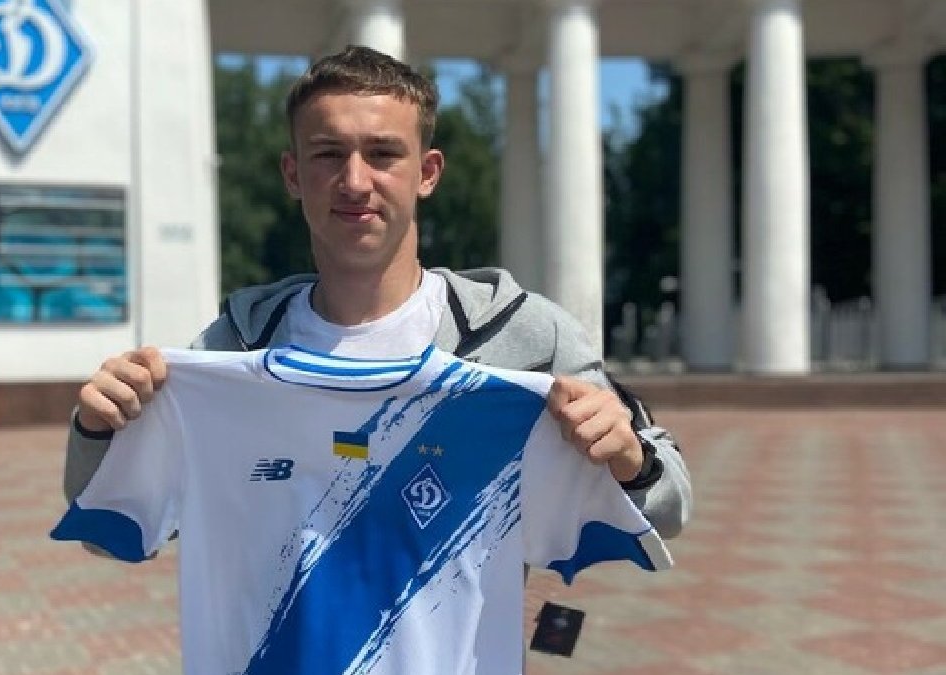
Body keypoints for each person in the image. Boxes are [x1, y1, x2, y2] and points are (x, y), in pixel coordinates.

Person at [64, 45, 691, 540]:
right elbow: (118, 524)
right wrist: (98, 431)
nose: (355, 181)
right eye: (328, 154)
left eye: (383, 153)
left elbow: (670, 509)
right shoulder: (234, 347)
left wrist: (630, 459)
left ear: (427, 172)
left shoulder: (525, 339)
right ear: (292, 174)